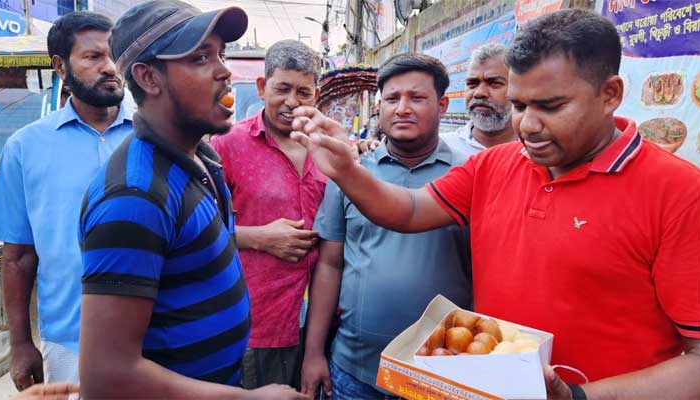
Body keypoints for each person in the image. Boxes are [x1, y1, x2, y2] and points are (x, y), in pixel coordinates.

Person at [291, 9, 700, 400]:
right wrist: (347, 169)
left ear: (610, 94)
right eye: (520, 106)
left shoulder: (680, 193)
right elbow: (409, 210)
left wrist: (578, 396)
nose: (528, 124)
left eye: (551, 106)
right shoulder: (492, 165)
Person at [78, 1, 307, 398]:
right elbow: (107, 375)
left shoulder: (201, 158)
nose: (224, 70)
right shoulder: (135, 196)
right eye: (201, 57)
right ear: (149, 78)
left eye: (220, 54)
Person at [301, 54, 473, 400]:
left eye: (417, 98)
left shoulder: (469, 174)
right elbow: (330, 264)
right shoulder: (350, 171)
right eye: (392, 99)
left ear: (442, 105)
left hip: (445, 372)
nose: (403, 108)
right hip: (356, 370)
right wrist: (313, 352)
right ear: (379, 107)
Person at [0, 11, 131, 390]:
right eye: (93, 57)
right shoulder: (25, 147)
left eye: (115, 55)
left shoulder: (155, 136)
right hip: (69, 340)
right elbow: (18, 256)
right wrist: (20, 344)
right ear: (61, 67)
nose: (110, 67)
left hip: (161, 332)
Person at [210, 40, 324, 390]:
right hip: (255, 325)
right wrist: (260, 237)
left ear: (316, 95)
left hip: (317, 326)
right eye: (282, 89)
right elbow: (197, 233)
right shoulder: (227, 144)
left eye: (303, 92)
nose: (292, 102)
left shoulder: (329, 148)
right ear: (262, 88)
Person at [441, 43, 516, 156]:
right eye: (472, 84)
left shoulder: (537, 150)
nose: (479, 93)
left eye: (494, 83)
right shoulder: (443, 149)